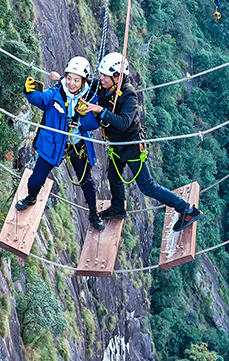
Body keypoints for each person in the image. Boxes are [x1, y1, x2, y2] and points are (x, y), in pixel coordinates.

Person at [81, 52, 204, 232]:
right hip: (116, 145)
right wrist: (64, 78)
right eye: (101, 74)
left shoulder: (129, 96)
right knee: (113, 177)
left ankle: (187, 210)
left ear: (118, 77)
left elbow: (124, 123)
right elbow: (84, 83)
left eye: (105, 75)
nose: (101, 78)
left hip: (131, 147)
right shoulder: (102, 86)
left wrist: (101, 111)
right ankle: (117, 207)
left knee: (148, 187)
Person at [18, 56, 104, 230]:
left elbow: (93, 125)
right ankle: (31, 197)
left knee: (86, 182)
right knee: (35, 180)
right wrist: (29, 92)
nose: (72, 83)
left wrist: (84, 114)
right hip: (54, 145)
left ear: (83, 81)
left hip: (77, 146)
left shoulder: (90, 97)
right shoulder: (57, 92)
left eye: (76, 80)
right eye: (69, 78)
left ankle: (93, 212)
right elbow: (41, 99)